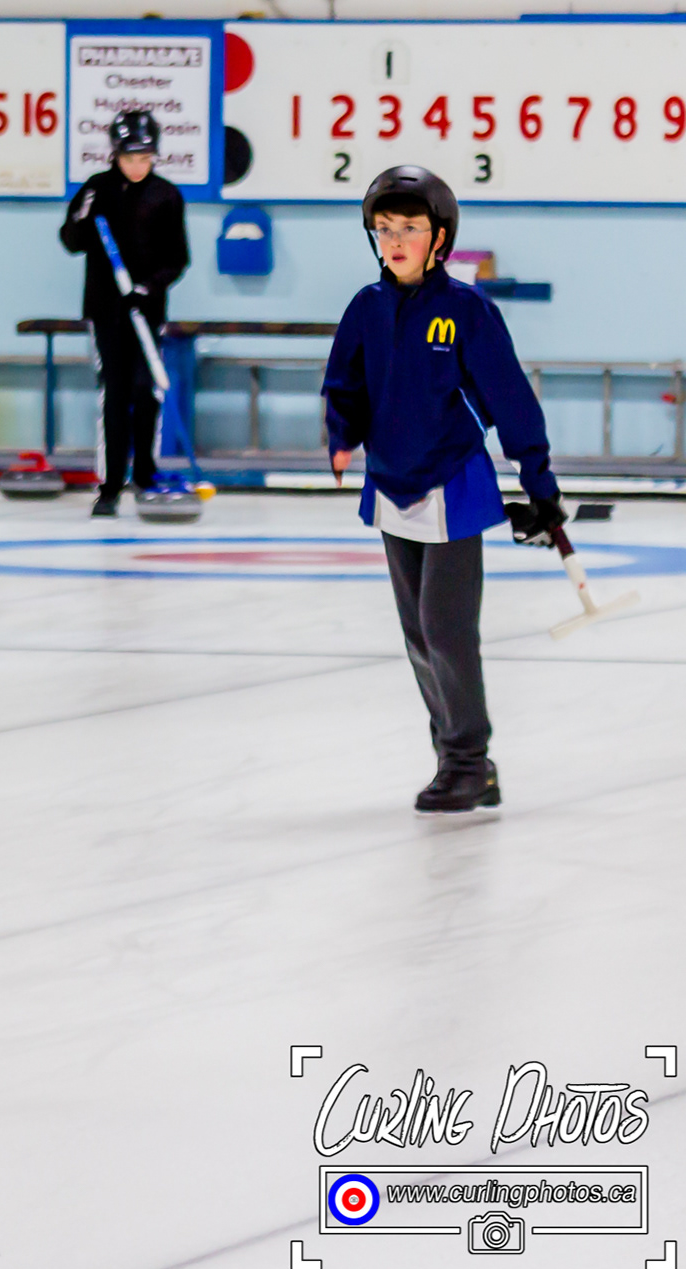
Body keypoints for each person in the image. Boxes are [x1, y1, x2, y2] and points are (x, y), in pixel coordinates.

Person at [322, 166, 565, 813]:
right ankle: (457, 760)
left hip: (452, 484)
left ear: (440, 238)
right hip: (390, 485)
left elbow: (511, 402)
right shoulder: (366, 308)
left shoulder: (467, 311)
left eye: (410, 227)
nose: (396, 240)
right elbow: (344, 384)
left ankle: (467, 761)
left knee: (445, 628)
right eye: (384, 229)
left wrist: (539, 485)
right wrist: (342, 436)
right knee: (417, 635)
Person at [59, 109, 190, 518]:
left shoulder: (166, 195)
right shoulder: (97, 189)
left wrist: (147, 289)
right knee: (115, 395)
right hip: (106, 312)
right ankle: (111, 485)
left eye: (145, 159)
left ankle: (146, 476)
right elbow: (71, 241)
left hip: (146, 312)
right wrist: (82, 213)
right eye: (130, 158)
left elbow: (178, 259)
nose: (137, 166)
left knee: (144, 392)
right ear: (115, 155)